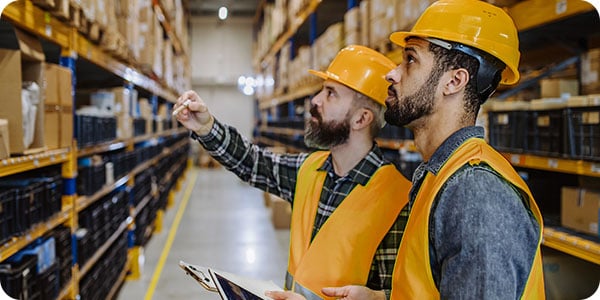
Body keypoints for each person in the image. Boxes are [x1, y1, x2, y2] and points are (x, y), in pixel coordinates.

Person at [319, 0, 546, 299]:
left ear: (454, 81)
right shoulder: (439, 176)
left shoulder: (474, 192)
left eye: (410, 59)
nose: (392, 74)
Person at [174, 45, 412, 299]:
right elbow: (252, 162)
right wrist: (206, 128)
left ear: (361, 119)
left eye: (330, 94)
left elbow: (394, 295)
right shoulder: (310, 169)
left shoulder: (396, 200)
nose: (315, 100)